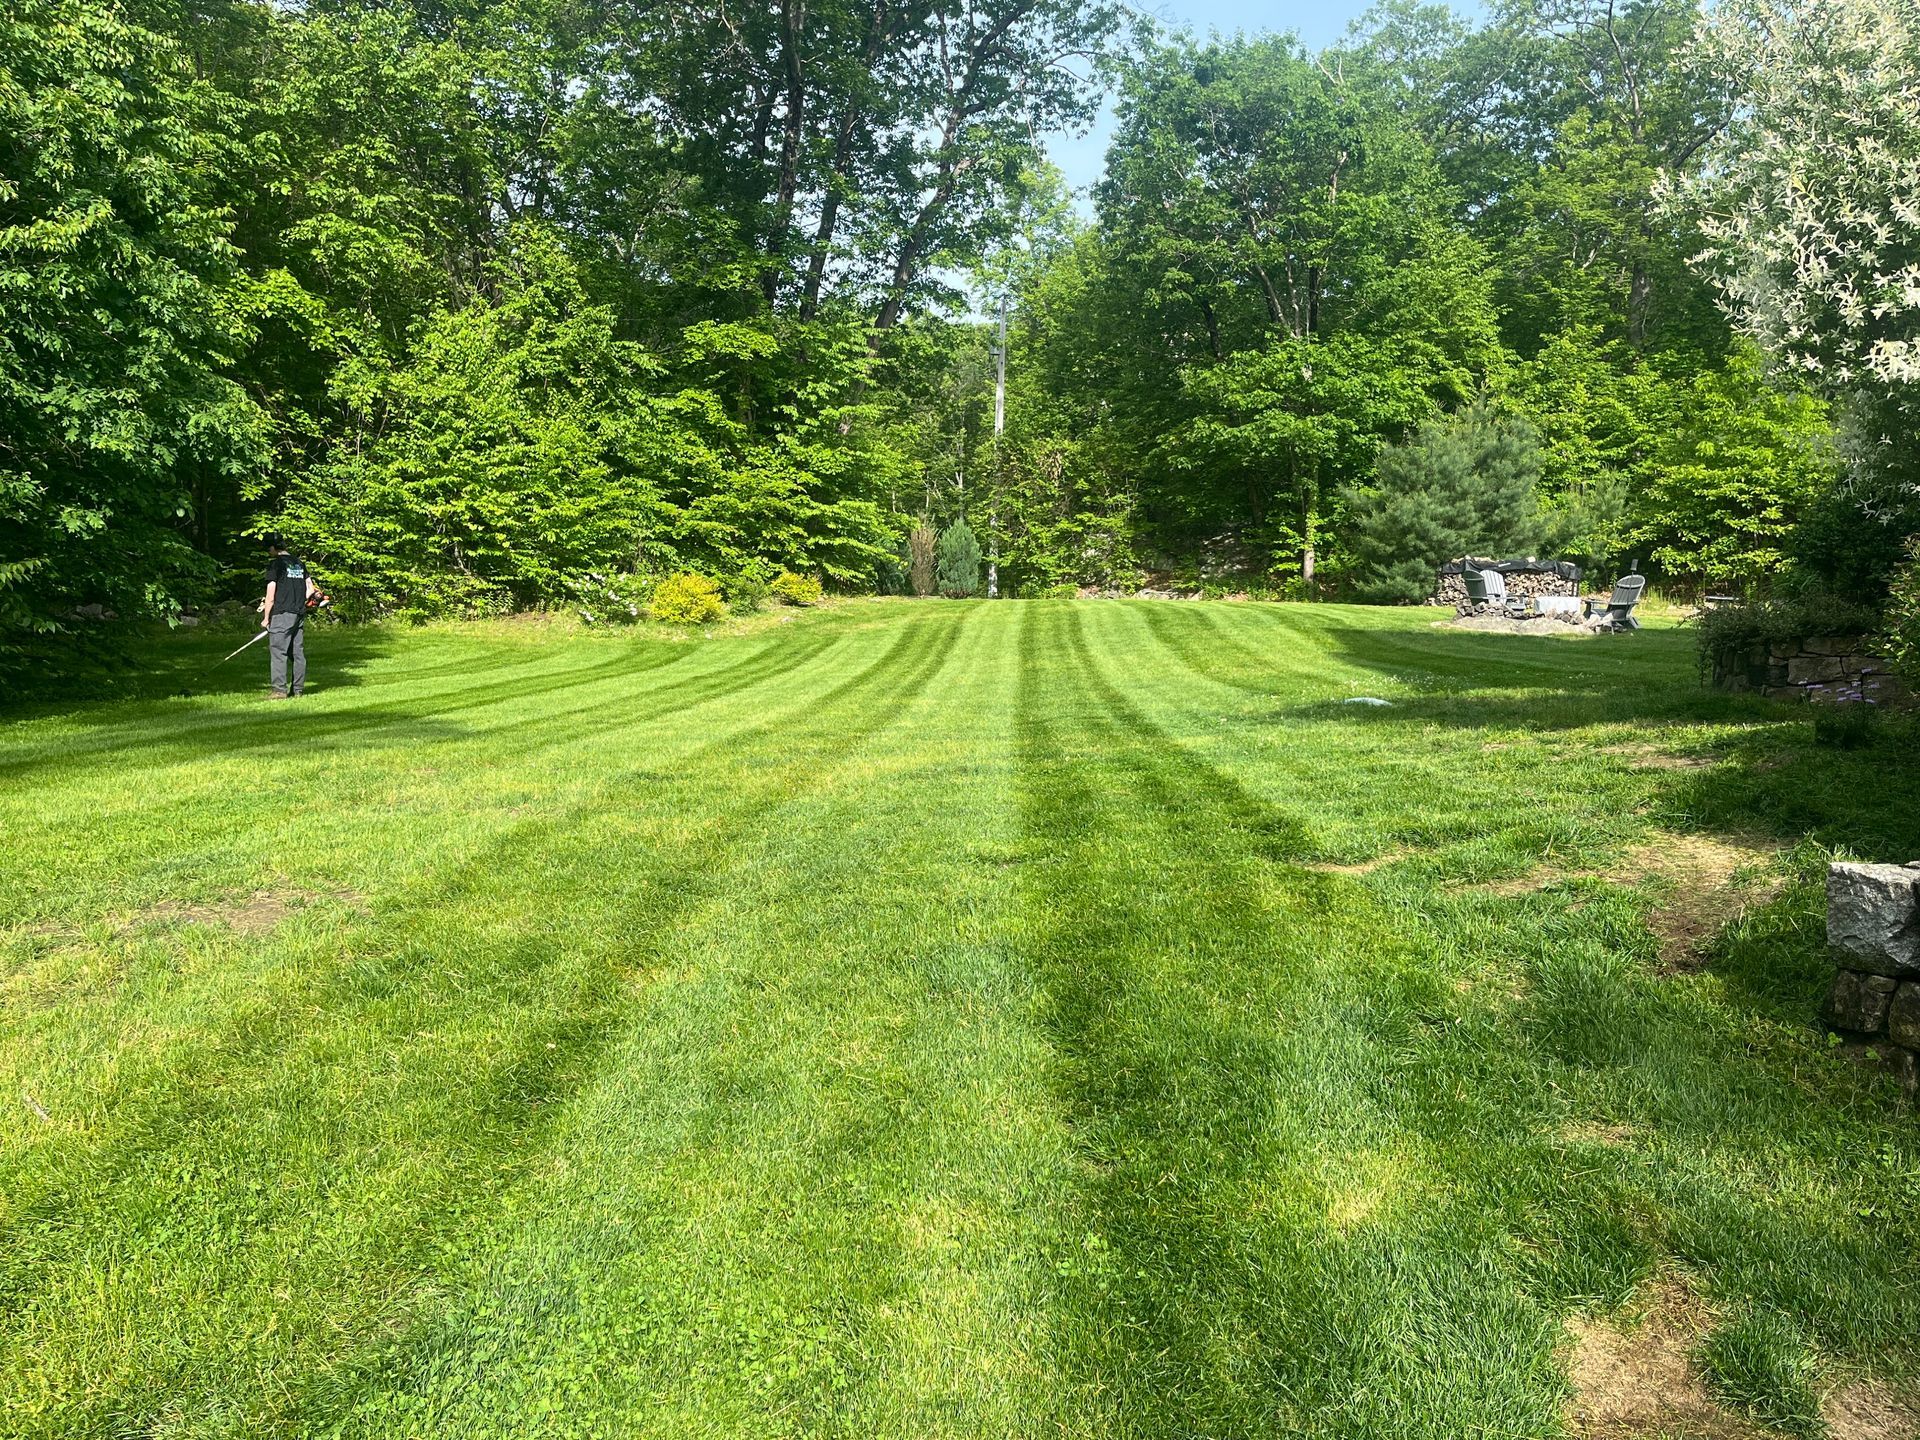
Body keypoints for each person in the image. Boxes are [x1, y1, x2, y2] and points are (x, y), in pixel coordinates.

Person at [261, 536, 321, 698]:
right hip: (299, 613)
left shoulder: (276, 565)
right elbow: (311, 589)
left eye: (269, 549)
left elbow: (270, 595)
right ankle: (298, 690)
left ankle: (279, 690)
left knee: (278, 651)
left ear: (273, 548)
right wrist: (300, 599)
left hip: (282, 613)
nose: (269, 552)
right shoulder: (298, 563)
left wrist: (266, 618)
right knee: (297, 653)